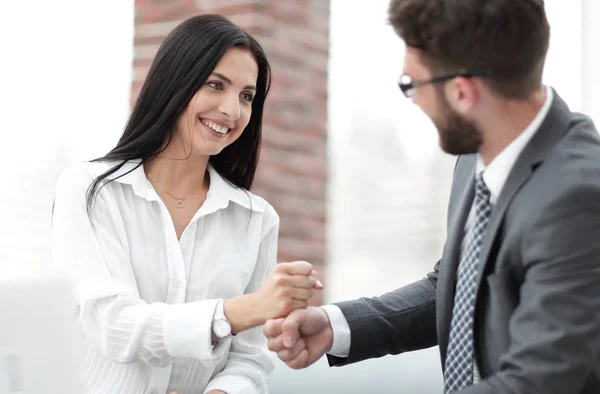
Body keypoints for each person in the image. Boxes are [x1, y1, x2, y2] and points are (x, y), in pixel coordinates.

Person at [264, 0, 600, 393]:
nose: (416, 101)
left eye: (412, 84)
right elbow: (457, 285)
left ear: (461, 92)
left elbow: (538, 380)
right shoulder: (479, 151)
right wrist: (336, 325)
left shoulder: (578, 195)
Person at [51, 14, 322, 394]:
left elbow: (250, 359)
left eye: (246, 96)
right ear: (174, 82)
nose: (232, 110)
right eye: (215, 85)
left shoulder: (256, 219)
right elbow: (112, 324)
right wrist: (242, 310)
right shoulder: (90, 190)